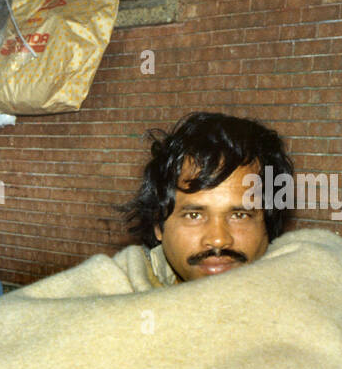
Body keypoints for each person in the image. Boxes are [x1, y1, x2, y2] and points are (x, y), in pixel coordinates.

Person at [118, 111, 293, 284]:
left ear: (269, 224)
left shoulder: (305, 304)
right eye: (194, 215)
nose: (218, 240)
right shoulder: (117, 302)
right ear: (158, 225)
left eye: (239, 215)